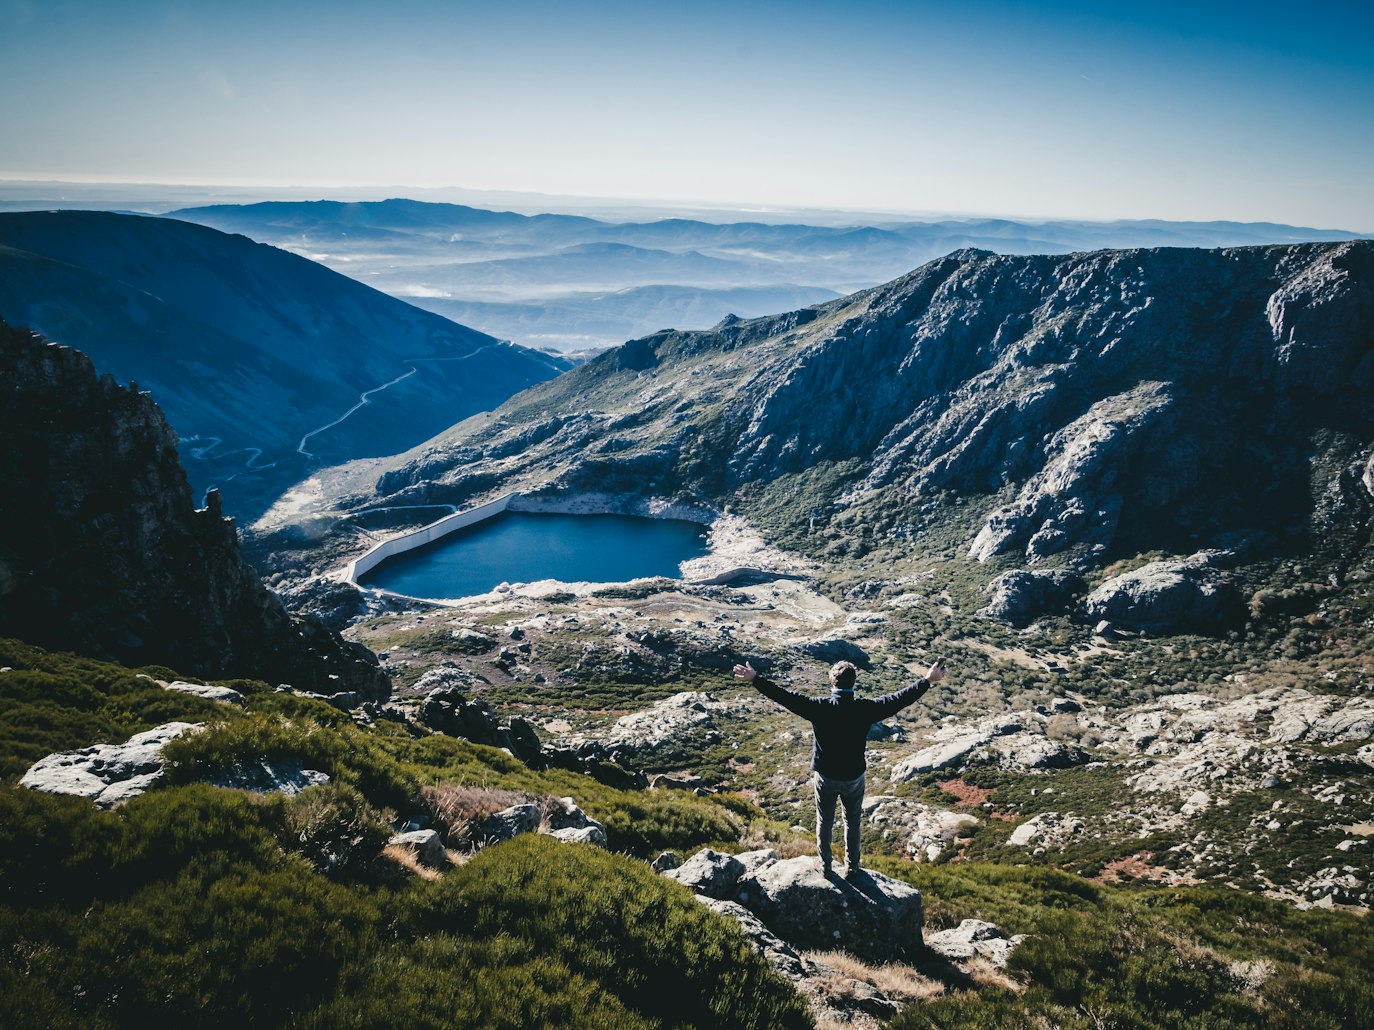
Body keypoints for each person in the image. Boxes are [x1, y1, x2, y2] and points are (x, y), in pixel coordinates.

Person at [733, 657, 946, 879]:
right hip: (853, 777)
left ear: (832, 683)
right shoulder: (866, 708)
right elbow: (899, 699)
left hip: (825, 777)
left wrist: (755, 679)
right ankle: (852, 868)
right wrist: (927, 680)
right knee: (852, 822)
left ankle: (826, 866)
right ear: (854, 683)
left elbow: (784, 696)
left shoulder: (818, 707)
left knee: (824, 821)